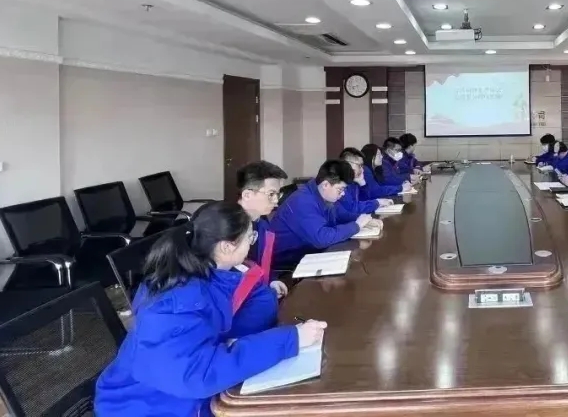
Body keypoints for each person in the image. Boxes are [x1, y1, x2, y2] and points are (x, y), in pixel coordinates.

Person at [95, 201, 327, 416]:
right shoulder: (176, 301)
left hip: (176, 394)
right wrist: (290, 340)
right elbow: (197, 376)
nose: (252, 243)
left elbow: (251, 311)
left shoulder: (210, 275)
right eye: (250, 237)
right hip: (143, 406)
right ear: (226, 247)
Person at [270, 160, 381, 263]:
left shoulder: (321, 194)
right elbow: (321, 238)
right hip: (289, 263)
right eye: (340, 189)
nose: (343, 194)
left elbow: (340, 214)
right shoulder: (302, 201)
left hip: (309, 253)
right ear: (325, 185)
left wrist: (363, 220)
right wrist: (356, 226)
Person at [235, 161, 290, 299]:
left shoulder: (263, 224)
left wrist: (271, 281)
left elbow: (263, 265)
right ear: (247, 195)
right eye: (271, 194)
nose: (276, 200)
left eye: (278, 194)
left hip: (261, 294)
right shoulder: (228, 229)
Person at [337, 148, 394, 217]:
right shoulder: (339, 182)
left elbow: (364, 201)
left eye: (362, 166)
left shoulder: (354, 181)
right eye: (359, 165)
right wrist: (377, 203)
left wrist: (363, 184)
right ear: (348, 164)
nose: (362, 169)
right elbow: (353, 208)